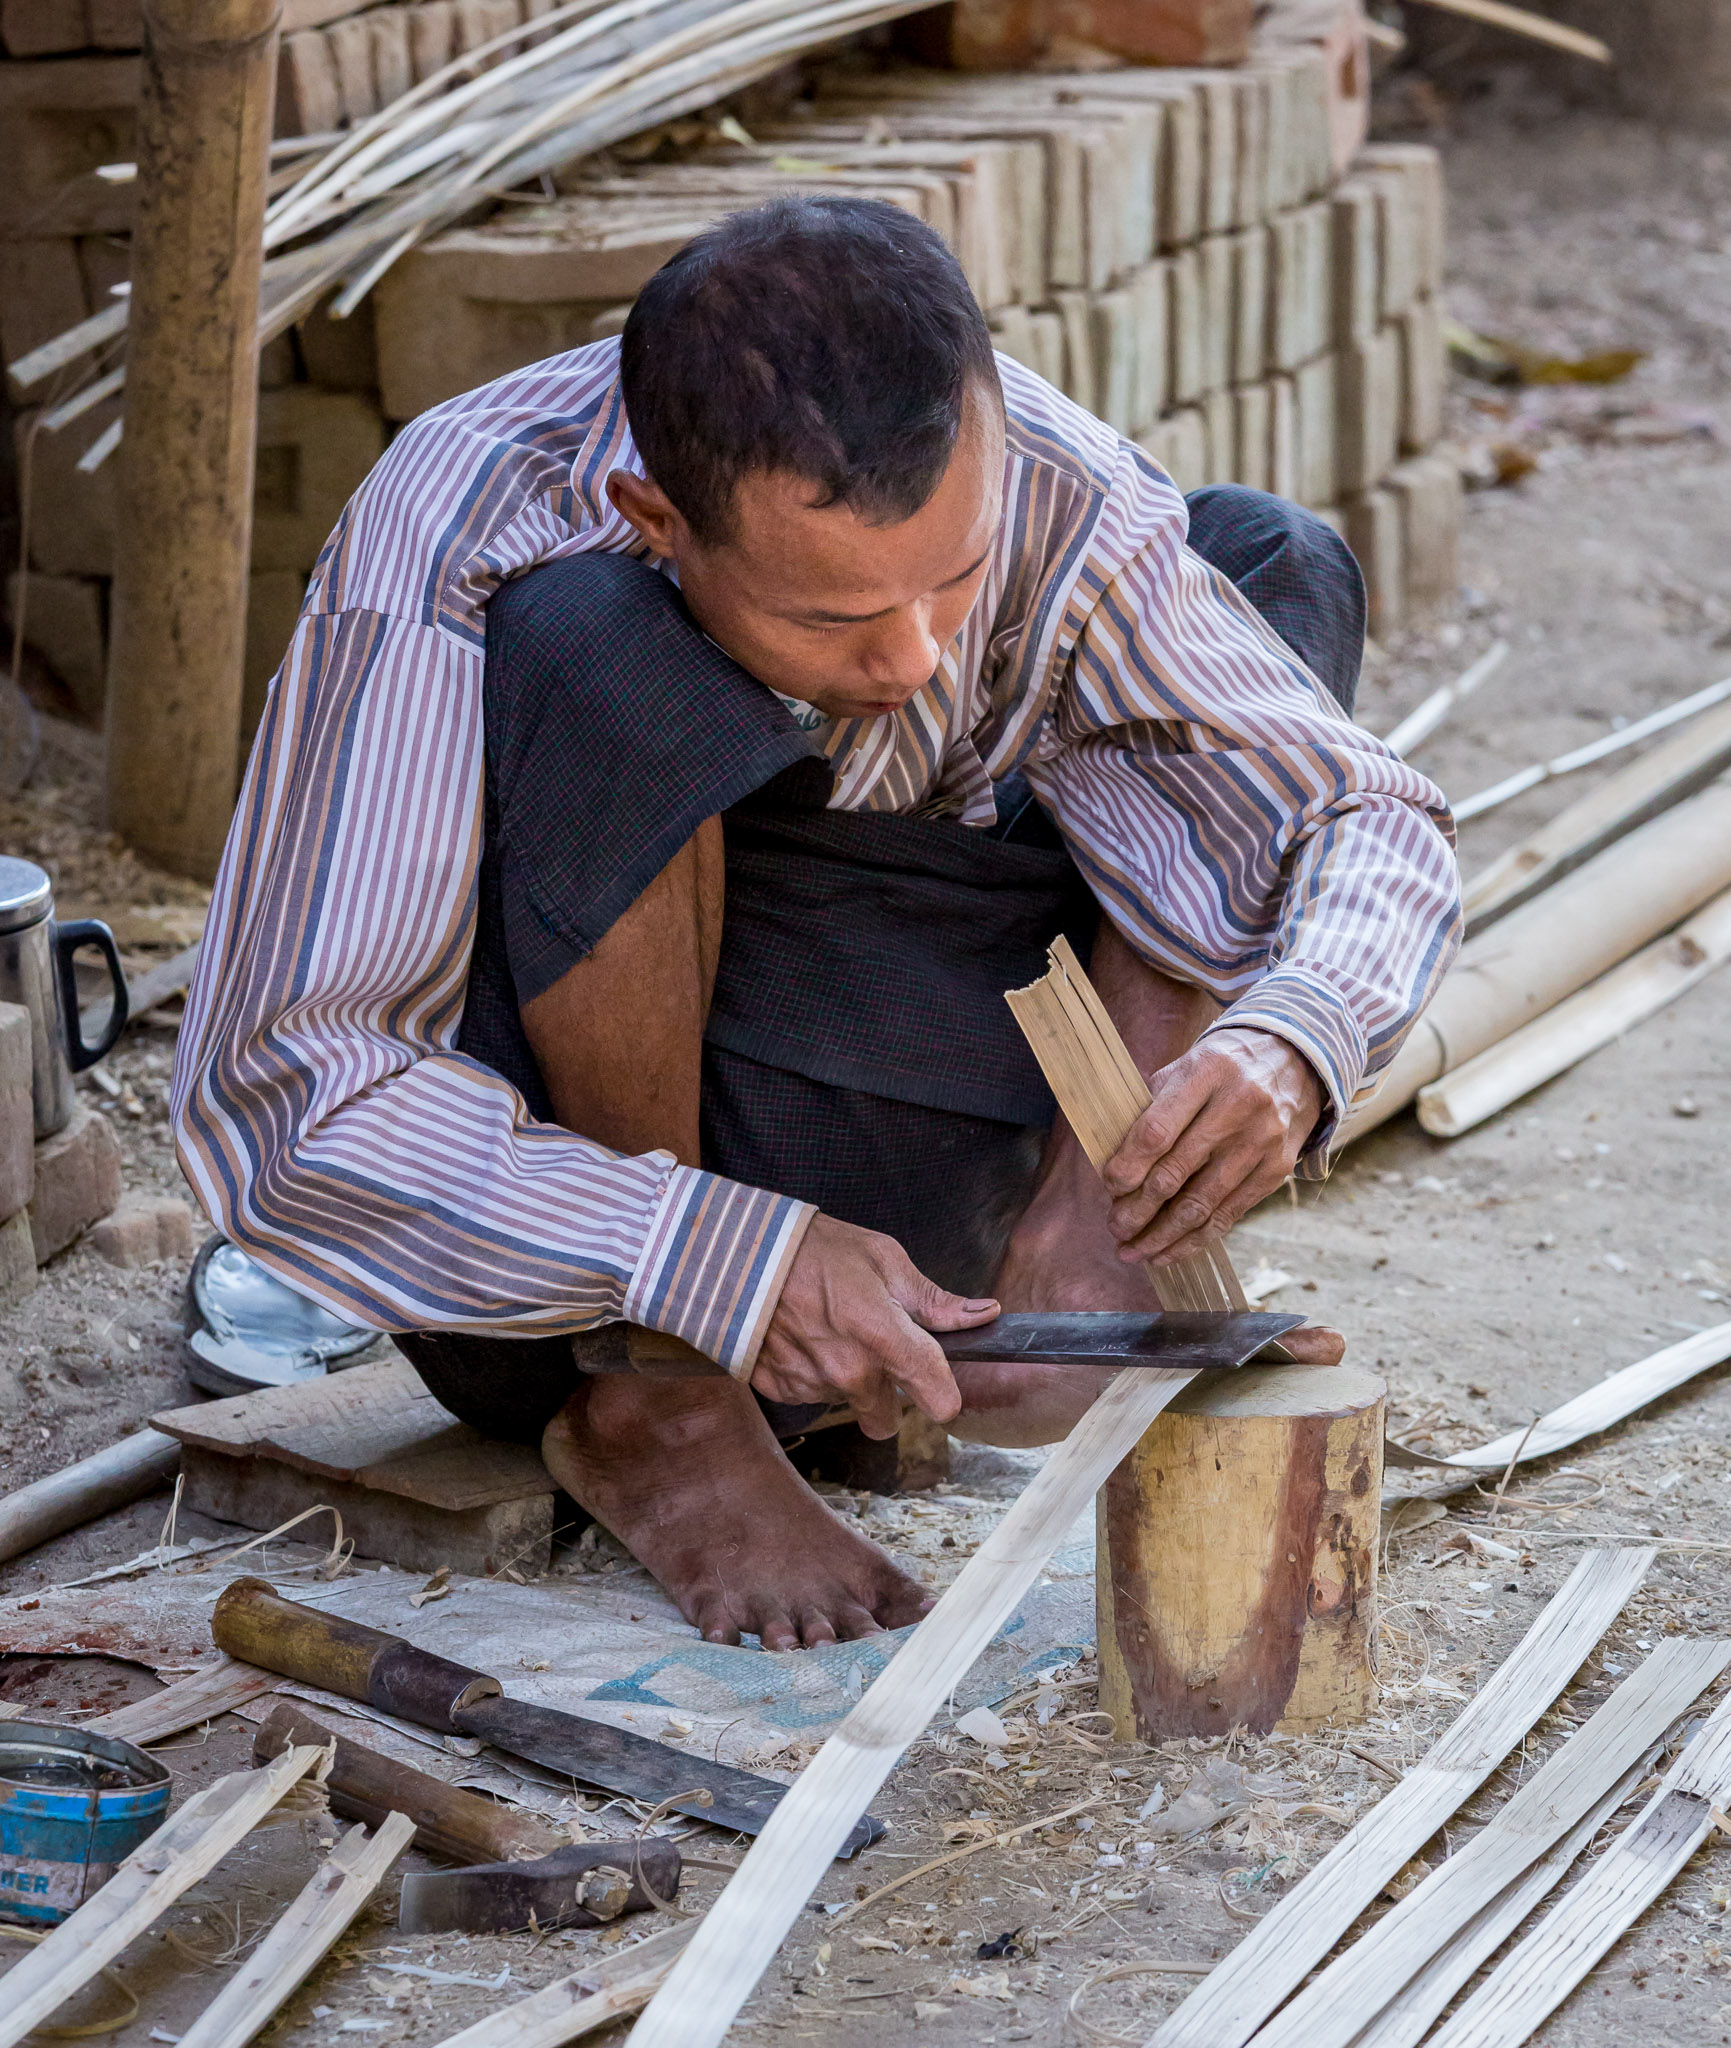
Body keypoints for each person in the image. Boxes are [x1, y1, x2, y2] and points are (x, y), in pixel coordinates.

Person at [174, 197, 1460, 1653]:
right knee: (590, 643)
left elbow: (1372, 819)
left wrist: (1300, 1036)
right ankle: (667, 1407)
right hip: (596, 1261)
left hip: (915, 1156)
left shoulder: (1048, 475)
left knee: (1270, 558)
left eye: (949, 586)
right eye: (831, 618)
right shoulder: (463, 520)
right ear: (662, 515)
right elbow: (284, 1104)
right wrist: (714, 1256)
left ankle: (1081, 1262)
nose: (912, 660)